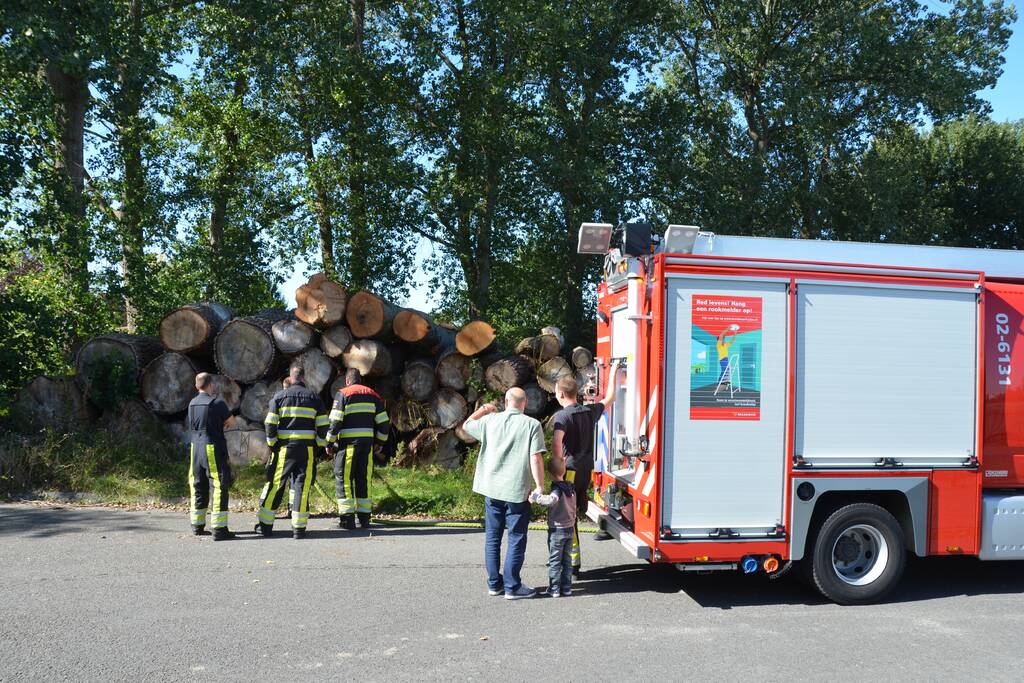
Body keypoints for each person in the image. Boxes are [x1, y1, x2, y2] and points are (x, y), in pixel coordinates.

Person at [462, 387, 546, 600]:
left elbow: (466, 425)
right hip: (516, 490)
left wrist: (483, 409)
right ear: (524, 403)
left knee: (492, 538)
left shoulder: (490, 421)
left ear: (506, 401)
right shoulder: (532, 425)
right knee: (516, 538)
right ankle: (512, 586)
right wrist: (540, 486)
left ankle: (494, 584)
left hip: (492, 489)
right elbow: (535, 458)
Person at [551, 359, 621, 574]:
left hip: (569, 471)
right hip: (585, 470)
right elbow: (611, 398)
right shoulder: (589, 411)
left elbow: (556, 446)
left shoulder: (562, 416)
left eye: (555, 392)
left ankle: (571, 563)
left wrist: (556, 476)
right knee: (574, 513)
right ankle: (571, 561)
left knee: (566, 517)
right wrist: (615, 371)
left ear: (561, 395)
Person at [256, 364, 329, 539]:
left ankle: (265, 526)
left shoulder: (279, 397)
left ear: (291, 377)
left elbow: (270, 423)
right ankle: (298, 528)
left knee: (276, 484)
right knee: (302, 487)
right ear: (304, 378)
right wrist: (318, 444)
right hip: (307, 450)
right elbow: (323, 425)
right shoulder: (314, 398)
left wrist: (273, 443)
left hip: (284, 450)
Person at [326, 369, 390, 530]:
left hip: (348, 445)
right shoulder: (373, 395)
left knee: (344, 479)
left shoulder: (343, 394)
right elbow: (383, 422)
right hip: (367, 447)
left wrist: (329, 443)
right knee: (363, 479)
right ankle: (364, 518)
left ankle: (347, 519)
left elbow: (335, 421)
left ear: (347, 381)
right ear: (359, 380)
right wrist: (380, 441)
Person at [187, 372, 236, 540]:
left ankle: (197, 525)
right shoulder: (217, 403)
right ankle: (219, 529)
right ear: (211, 385)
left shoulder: (192, 403)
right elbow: (231, 421)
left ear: (196, 386)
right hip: (211, 447)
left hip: (195, 447)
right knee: (218, 485)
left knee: (198, 483)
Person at [529, 457, 577, 597]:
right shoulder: (570, 488)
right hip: (569, 528)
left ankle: (554, 588)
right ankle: (567, 587)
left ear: (549, 474)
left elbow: (551, 500)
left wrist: (537, 497)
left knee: (555, 560)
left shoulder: (557, 489)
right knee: (567, 560)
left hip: (557, 530)